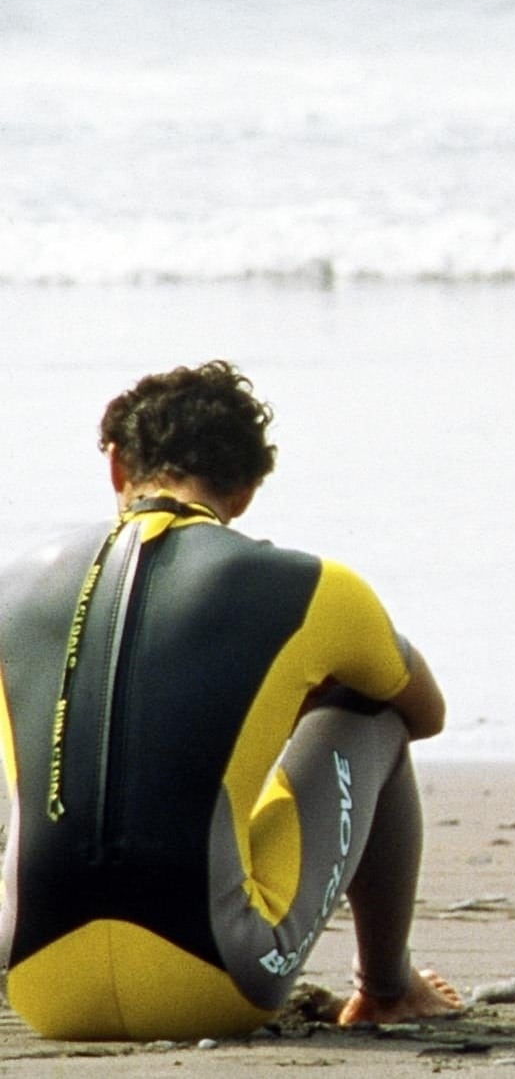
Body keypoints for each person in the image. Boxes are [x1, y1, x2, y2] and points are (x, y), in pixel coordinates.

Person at [0, 361, 463, 1040]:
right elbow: (425, 712)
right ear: (244, 491)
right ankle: (387, 988)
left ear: (116, 466)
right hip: (217, 978)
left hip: (39, 986)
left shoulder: (12, 584)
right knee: (371, 712)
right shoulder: (313, 587)